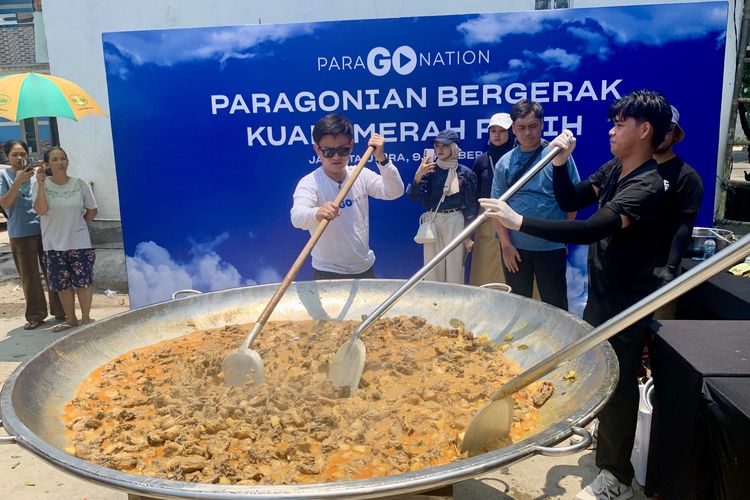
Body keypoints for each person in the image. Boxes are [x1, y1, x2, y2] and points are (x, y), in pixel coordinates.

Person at [480, 90, 673, 500]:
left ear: (644, 130)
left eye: (620, 124)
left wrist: (519, 221)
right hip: (603, 293)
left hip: (626, 300)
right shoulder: (614, 168)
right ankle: (608, 441)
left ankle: (616, 477)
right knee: (603, 374)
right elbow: (569, 199)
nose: (612, 131)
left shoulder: (647, 185)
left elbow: (590, 228)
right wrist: (561, 163)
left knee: (621, 382)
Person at [290, 114, 404, 279]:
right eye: (329, 152)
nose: (336, 157)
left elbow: (395, 191)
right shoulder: (310, 182)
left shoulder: (360, 174)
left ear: (351, 145)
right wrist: (317, 213)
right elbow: (297, 217)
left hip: (364, 268)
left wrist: (382, 159)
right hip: (327, 271)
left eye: (342, 150)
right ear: (317, 149)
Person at [490, 100, 580, 309]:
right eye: (521, 127)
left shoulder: (558, 155)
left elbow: (572, 201)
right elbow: (497, 208)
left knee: (555, 305)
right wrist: (506, 245)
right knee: (517, 306)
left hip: (551, 248)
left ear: (542, 125)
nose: (527, 133)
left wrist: (563, 237)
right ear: (513, 128)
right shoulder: (505, 162)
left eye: (533, 126)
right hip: (516, 250)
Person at [32, 147, 98, 332]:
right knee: (62, 285)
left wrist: (79, 227)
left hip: (79, 242)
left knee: (83, 282)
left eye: (63, 158)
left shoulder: (80, 184)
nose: (60, 162)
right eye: (55, 159)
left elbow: (92, 210)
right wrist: (41, 185)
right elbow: (42, 210)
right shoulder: (39, 185)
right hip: (53, 243)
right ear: (47, 164)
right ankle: (71, 319)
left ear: (68, 161)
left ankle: (86, 319)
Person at [0, 140, 64, 330]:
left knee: (53, 271)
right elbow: (5, 203)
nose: (19, 158)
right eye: (14, 155)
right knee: (29, 276)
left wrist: (43, 176)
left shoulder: (37, 174)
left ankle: (60, 310)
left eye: (22, 154)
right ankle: (36, 315)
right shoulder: (3, 176)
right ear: (7, 157)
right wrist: (18, 181)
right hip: (20, 232)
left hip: (45, 229)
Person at [408, 129, 478, 283]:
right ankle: (434, 298)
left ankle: (453, 298)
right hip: (433, 221)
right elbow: (413, 197)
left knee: (455, 268)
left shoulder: (466, 173)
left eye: (444, 146)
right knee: (432, 269)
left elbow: (471, 207)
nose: (439, 149)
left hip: (455, 220)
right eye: (437, 146)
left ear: (454, 147)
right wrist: (418, 176)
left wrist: (467, 235)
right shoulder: (429, 171)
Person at [652, 105, 704, 285]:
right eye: (655, 126)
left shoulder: (687, 177)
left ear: (674, 134)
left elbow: (684, 225)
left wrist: (670, 268)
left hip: (659, 269)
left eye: (666, 128)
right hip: (626, 269)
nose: (659, 133)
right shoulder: (626, 168)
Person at [469, 112, 514, 286]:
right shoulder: (481, 161)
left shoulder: (519, 157)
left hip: (514, 215)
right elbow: (473, 198)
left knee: (516, 264)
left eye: (502, 131)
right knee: (485, 269)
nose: (497, 135)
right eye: (493, 130)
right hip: (487, 219)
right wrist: (469, 231)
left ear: (511, 132)